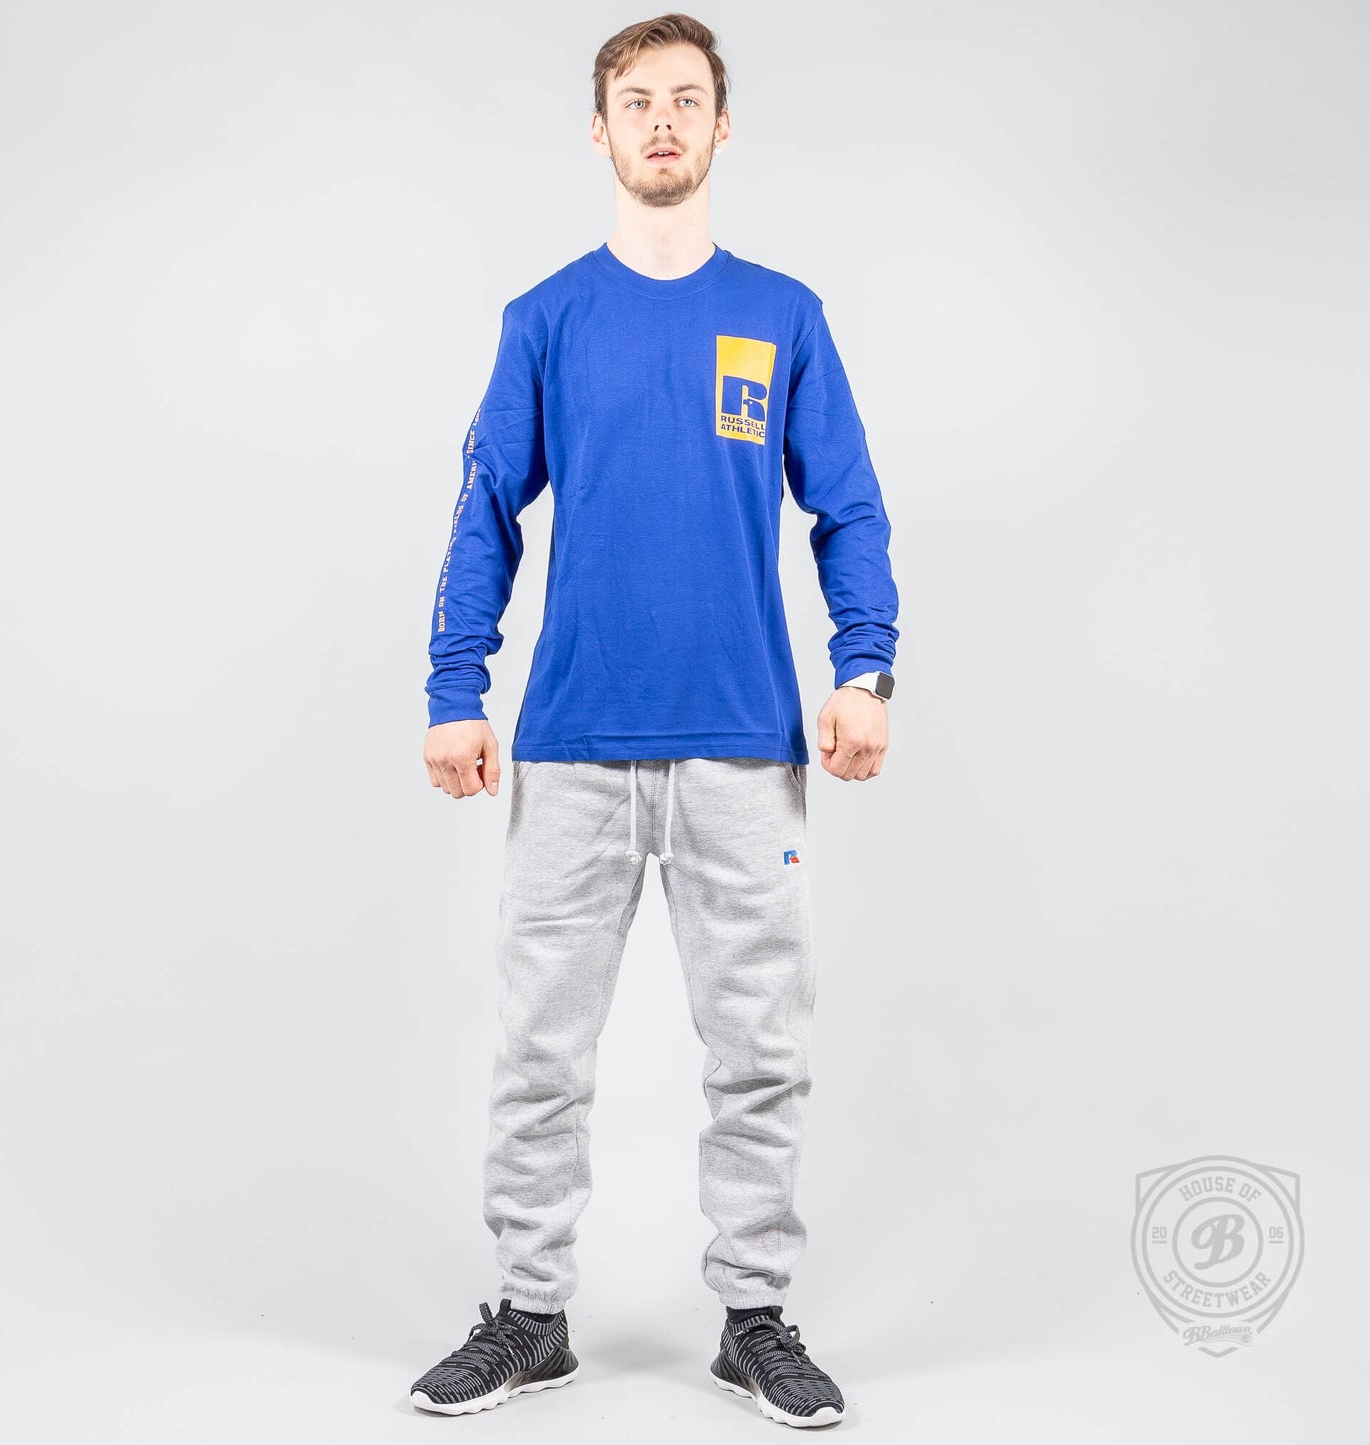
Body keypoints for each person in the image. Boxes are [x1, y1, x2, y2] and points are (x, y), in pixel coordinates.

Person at [409, 11, 898, 1429]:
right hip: (570, 745)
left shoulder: (783, 316)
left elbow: (849, 506)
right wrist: (454, 689)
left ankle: (755, 1318)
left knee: (760, 1052)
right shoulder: (546, 319)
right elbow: (485, 510)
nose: (664, 121)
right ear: (601, 130)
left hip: (742, 743)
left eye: (688, 99)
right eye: (638, 101)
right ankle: (529, 1315)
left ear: (722, 127)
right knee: (538, 1055)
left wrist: (864, 670)